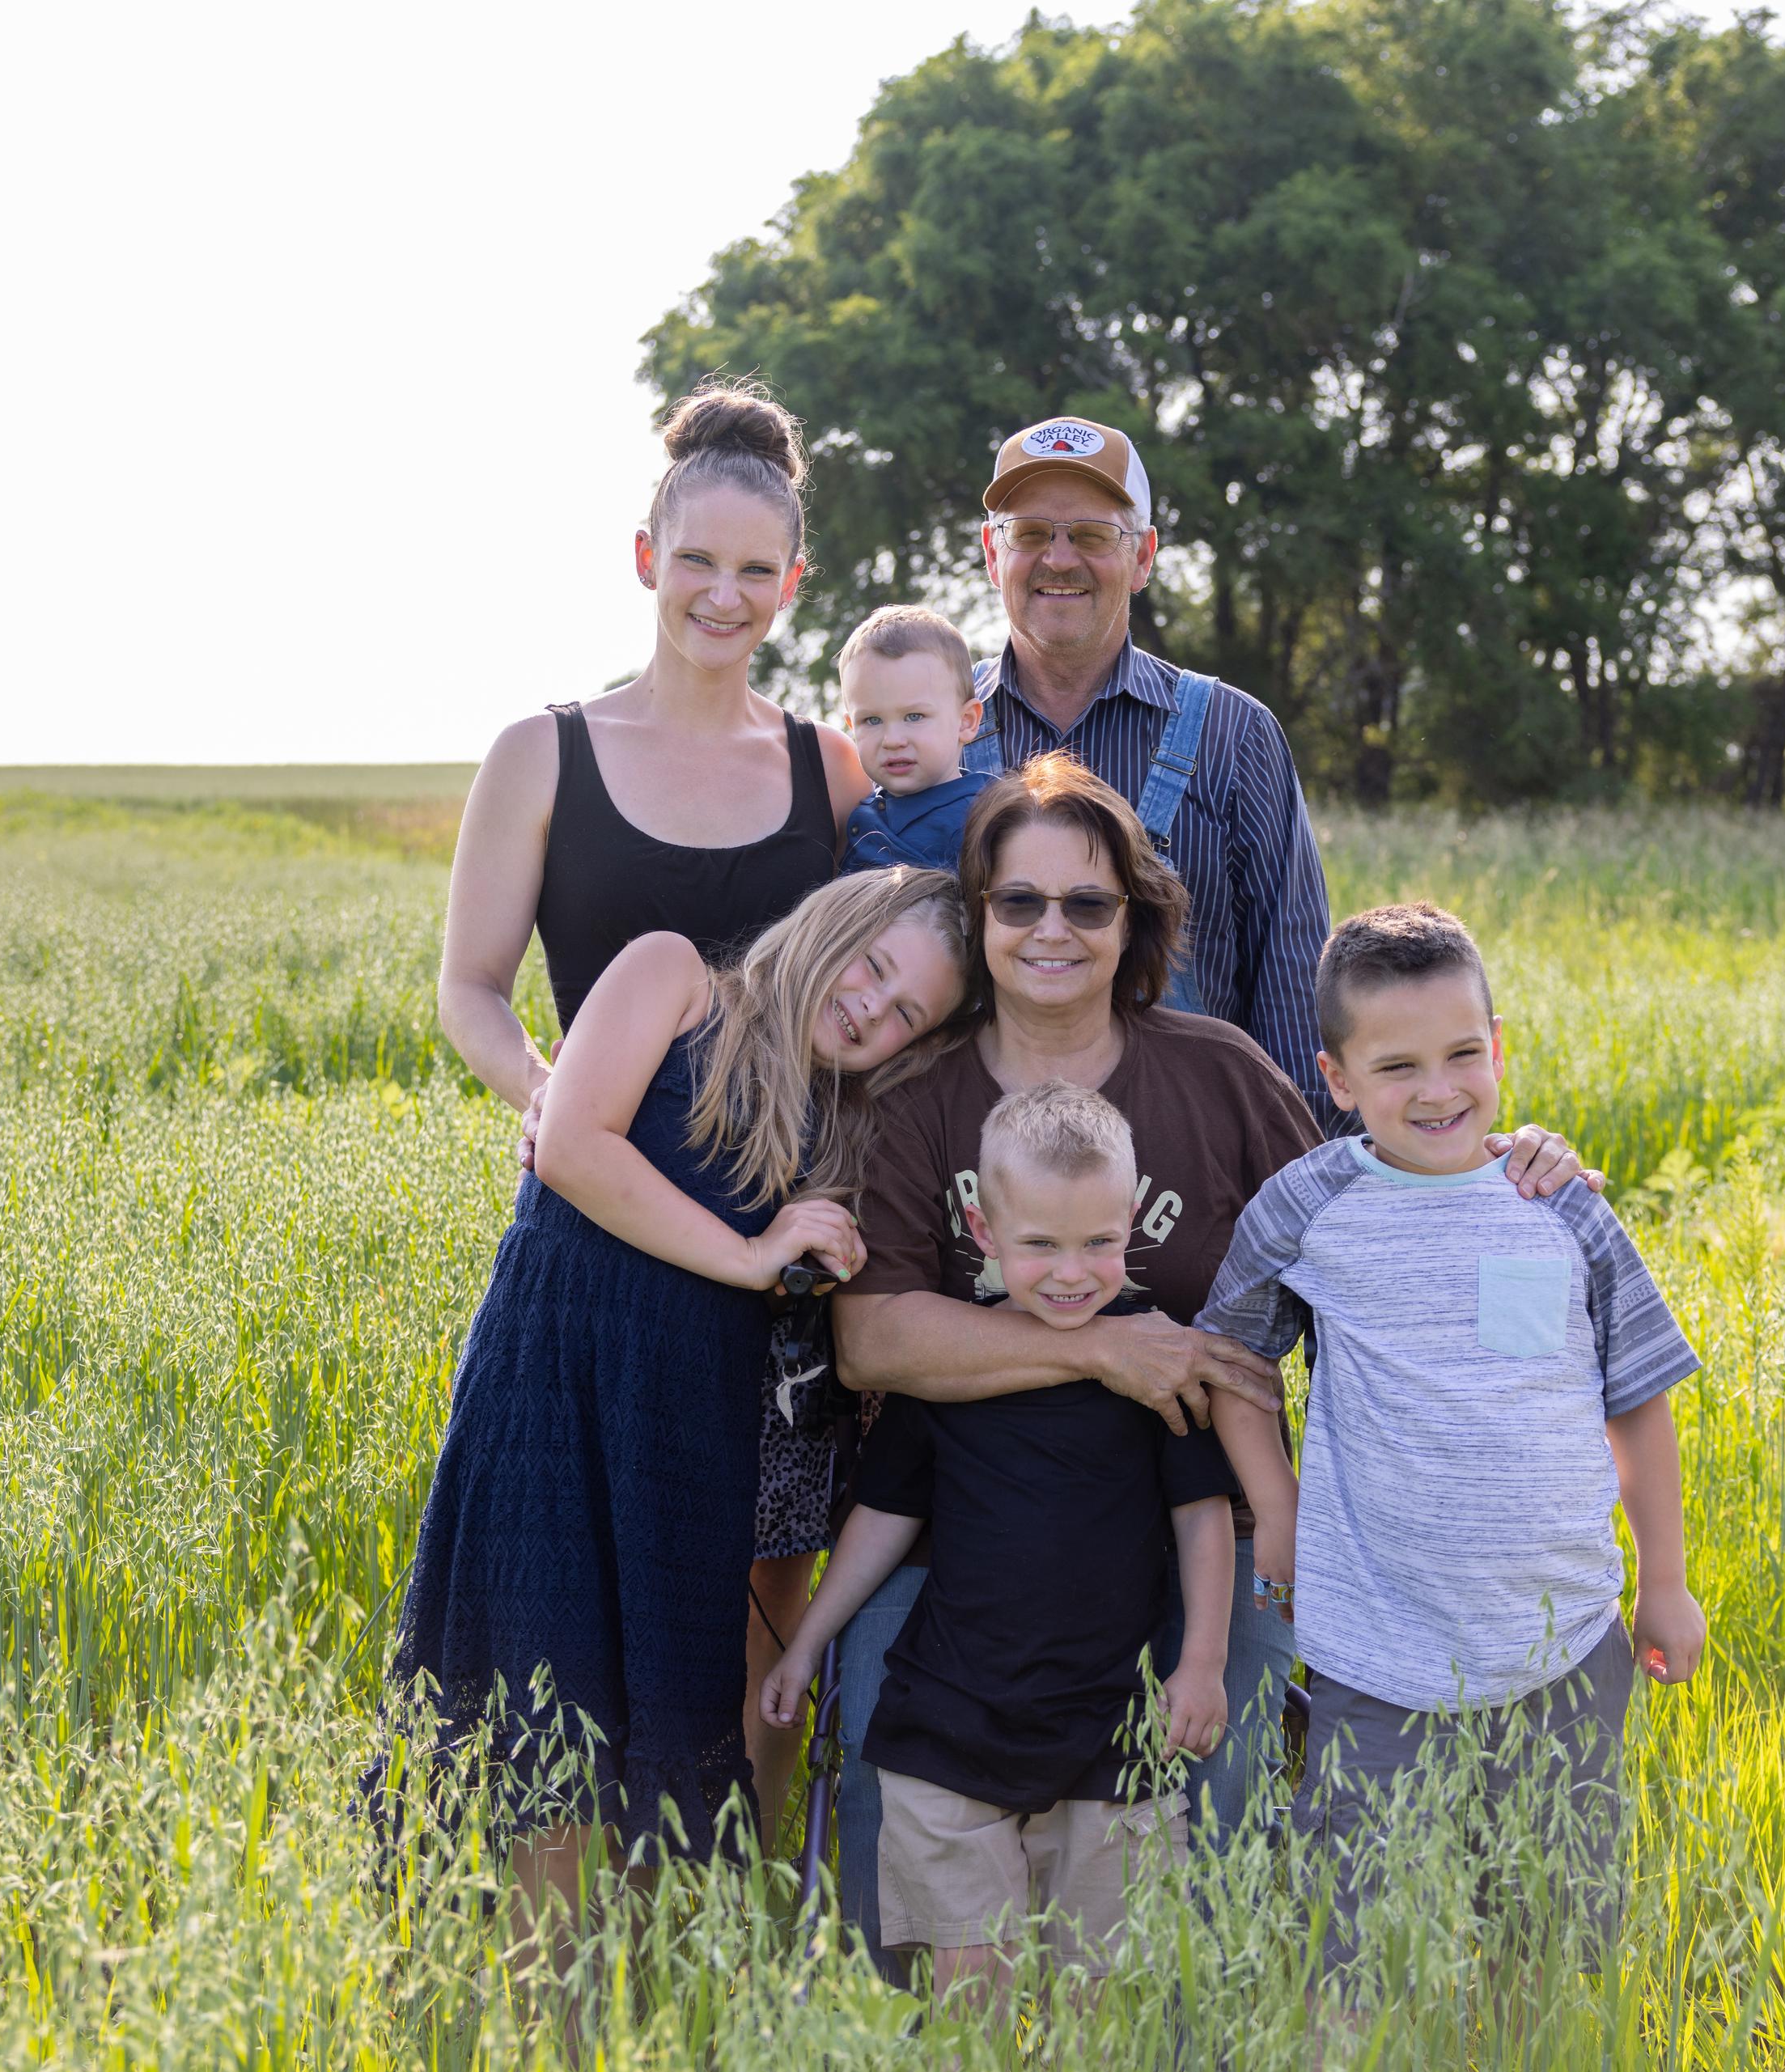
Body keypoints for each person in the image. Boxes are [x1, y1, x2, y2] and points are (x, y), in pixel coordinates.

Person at [828, 759, 1599, 1974]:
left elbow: (1381, 1213)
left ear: (1135, 919)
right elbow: (873, 1335)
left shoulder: (1221, 1074)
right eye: (1018, 901)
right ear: (977, 916)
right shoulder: (918, 1096)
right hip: (957, 1542)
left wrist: (1519, 1160)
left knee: (1200, 1873)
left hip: (1202, 1539)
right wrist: (1109, 1348)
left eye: (1089, 903)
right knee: (903, 1884)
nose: (1051, 930)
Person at [435, 380, 868, 1841]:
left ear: (794, 586)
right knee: (559, 1621)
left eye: (757, 572)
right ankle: (574, 1990)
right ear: (644, 559)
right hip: (592, 1243)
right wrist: (564, 1101)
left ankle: (728, 1954)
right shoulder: (541, 754)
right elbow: (473, 994)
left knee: (753, 1638)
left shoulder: (831, 771)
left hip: (782, 1270)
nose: (723, 595)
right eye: (697, 563)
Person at [389, 870, 969, 1939]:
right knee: (546, 1732)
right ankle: (553, 2029)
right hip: (551, 1401)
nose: (868, 1009)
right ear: (835, 921)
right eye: (873, 967)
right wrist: (754, 1255)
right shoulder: (673, 978)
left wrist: (821, 1245)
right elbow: (570, 1146)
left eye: (905, 1016)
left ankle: (659, 2009)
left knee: (670, 1745)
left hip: (686, 1439)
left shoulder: (840, 1133)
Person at [1193, 902, 1702, 2005]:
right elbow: (1229, 1357)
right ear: (1337, 1077)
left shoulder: (1556, 1201)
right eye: (1398, 1065)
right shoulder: (1311, 1204)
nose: (1439, 1089)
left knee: (1557, 1937)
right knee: (1361, 1948)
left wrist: (1664, 1584)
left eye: (1464, 1053)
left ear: (1500, 1046)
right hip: (1376, 1648)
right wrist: (1275, 1507)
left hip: (1562, 1640)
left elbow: (1641, 1399)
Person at [762, 1083, 1232, 2011]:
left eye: (1099, 1241)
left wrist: (1206, 1661)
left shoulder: (1150, 1362)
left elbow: (1202, 1515)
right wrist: (810, 1639)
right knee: (967, 1986)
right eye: (1041, 1244)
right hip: (953, 1717)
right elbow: (884, 1517)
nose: (1071, 1272)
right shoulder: (954, 1368)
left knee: (1098, 1999)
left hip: (1111, 1727)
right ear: (982, 1225)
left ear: (1132, 1219)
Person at [961, 413, 1335, 1116]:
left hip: (1196, 1180)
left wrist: (1295, 1187)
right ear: (992, 553)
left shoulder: (1235, 734)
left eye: (1095, 535)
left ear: (1144, 557)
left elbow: (1295, 997)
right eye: (1031, 533)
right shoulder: (927, 739)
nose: (1060, 558)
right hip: (973, 1184)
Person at [837, 605, 991, 873]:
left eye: (914, 716)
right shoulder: (860, 813)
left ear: (966, 721)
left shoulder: (984, 819)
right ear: (852, 726)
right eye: (872, 720)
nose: (892, 740)